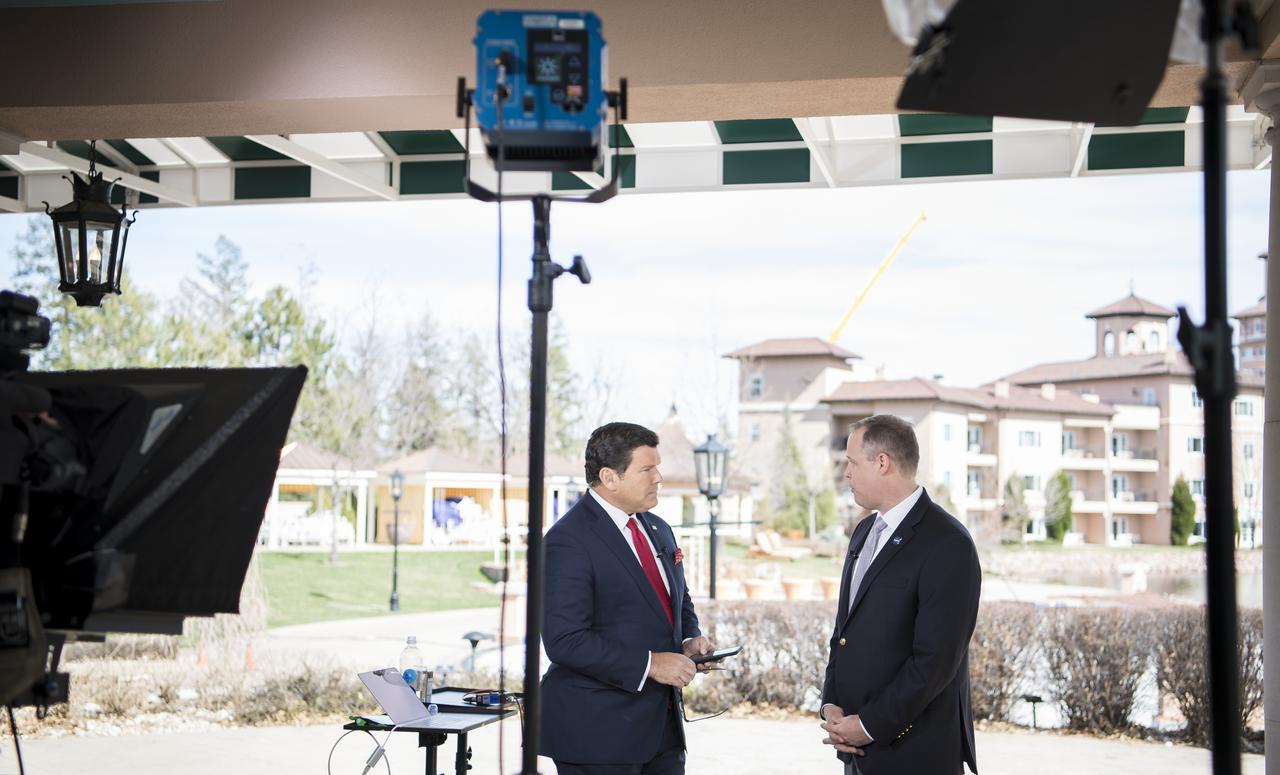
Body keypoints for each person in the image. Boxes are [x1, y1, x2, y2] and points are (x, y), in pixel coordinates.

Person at [541, 421, 715, 775]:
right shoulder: (567, 541)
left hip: (663, 733)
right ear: (609, 478)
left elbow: (678, 598)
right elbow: (565, 641)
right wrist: (652, 664)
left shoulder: (658, 528)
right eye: (647, 469)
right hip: (597, 736)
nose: (658, 478)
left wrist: (689, 639)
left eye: (657, 467)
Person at [819, 414, 982, 775]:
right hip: (856, 753)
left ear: (882, 463)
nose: (846, 473)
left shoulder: (948, 543)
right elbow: (844, 632)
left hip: (916, 753)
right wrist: (831, 704)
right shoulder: (863, 531)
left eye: (852, 462)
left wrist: (868, 726)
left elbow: (935, 662)